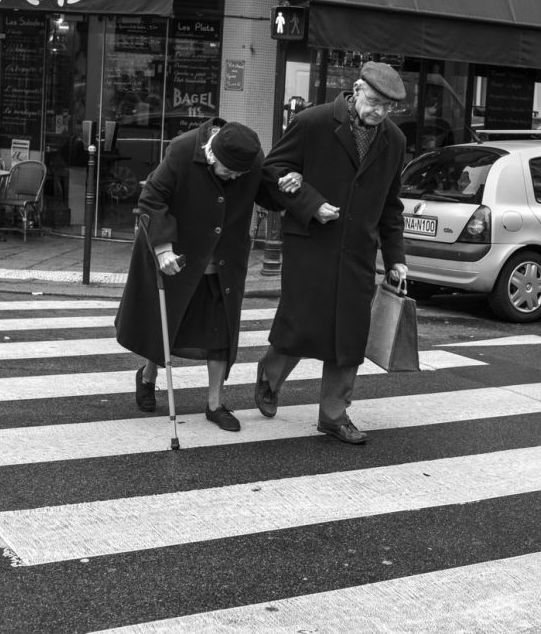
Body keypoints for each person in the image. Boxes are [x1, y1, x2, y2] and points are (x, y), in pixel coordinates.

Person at [254, 61, 410, 444]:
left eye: (387, 107)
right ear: (356, 89)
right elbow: (272, 172)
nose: (378, 111)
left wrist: (396, 259)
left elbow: (391, 205)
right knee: (301, 325)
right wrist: (311, 202)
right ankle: (269, 377)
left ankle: (334, 415)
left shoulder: (394, 140)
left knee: (349, 336)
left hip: (358, 249)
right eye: (373, 101)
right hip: (312, 242)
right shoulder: (314, 122)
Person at [114, 119, 299, 431]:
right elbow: (152, 198)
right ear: (212, 154)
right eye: (229, 171)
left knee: (220, 333)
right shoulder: (183, 150)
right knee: (166, 324)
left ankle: (215, 404)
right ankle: (148, 376)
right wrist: (162, 248)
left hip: (223, 261)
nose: (235, 177)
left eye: (240, 174)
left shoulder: (250, 159)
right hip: (178, 256)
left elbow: (267, 194)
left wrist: (287, 182)